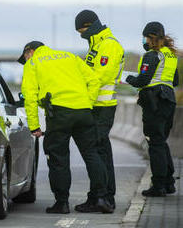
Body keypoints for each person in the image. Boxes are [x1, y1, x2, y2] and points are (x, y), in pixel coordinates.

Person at [19, 41, 113, 214]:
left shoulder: (33, 63)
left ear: (30, 51)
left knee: (58, 158)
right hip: (84, 112)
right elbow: (93, 80)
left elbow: (30, 97)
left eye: (25, 57)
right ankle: (100, 198)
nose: (26, 60)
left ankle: (61, 203)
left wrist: (34, 127)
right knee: (92, 154)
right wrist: (88, 103)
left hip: (59, 114)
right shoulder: (70, 56)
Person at [74, 10, 125, 211]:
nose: (81, 35)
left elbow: (99, 77)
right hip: (97, 107)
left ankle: (102, 198)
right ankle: (101, 197)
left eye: (82, 31)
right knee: (101, 153)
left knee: (95, 153)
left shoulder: (109, 45)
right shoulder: (97, 44)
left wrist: (83, 100)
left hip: (101, 108)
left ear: (90, 25)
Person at [126, 21, 179, 197]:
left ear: (150, 37)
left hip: (154, 101)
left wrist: (128, 79)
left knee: (155, 143)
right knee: (161, 141)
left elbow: (143, 80)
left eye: (145, 37)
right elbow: (175, 81)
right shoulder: (170, 55)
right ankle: (169, 182)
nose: (144, 40)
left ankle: (158, 186)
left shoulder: (152, 55)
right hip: (169, 100)